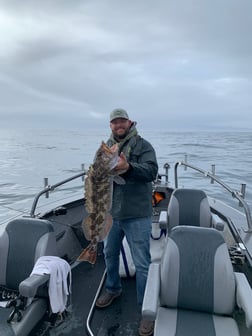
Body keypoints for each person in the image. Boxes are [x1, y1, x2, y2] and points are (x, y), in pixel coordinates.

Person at [96, 108, 158, 336]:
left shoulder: (143, 146)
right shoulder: (106, 148)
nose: (118, 125)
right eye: (114, 122)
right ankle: (113, 288)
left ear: (129, 122)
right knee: (109, 254)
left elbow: (151, 171)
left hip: (137, 214)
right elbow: (97, 176)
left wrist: (129, 167)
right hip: (112, 214)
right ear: (110, 125)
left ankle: (146, 309)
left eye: (121, 121)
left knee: (143, 263)